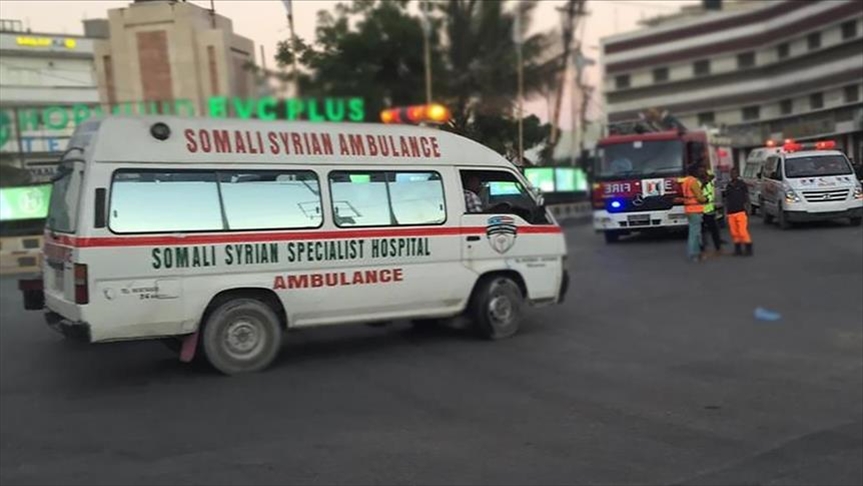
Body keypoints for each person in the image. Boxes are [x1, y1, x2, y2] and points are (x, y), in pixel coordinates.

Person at [723, 167, 753, 256]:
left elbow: (747, 196)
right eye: (732, 174)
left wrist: (748, 208)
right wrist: (726, 211)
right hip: (731, 212)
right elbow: (726, 199)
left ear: (738, 174)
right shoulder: (728, 186)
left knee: (742, 231)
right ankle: (738, 249)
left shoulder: (742, 185)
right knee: (734, 232)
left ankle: (748, 248)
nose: (733, 175)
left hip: (741, 211)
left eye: (735, 173)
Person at [682, 164, 707, 262]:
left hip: (688, 209)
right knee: (695, 234)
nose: (698, 172)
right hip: (695, 209)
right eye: (697, 170)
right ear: (693, 172)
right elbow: (699, 197)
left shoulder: (685, 181)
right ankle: (694, 254)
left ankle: (696, 253)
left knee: (693, 232)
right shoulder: (693, 182)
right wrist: (705, 199)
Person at [700, 168, 722, 256]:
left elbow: (711, 195)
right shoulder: (699, 184)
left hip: (709, 211)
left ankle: (718, 248)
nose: (709, 178)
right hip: (701, 211)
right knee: (702, 232)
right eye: (707, 177)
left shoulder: (710, 184)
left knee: (714, 230)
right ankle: (702, 249)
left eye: (710, 177)